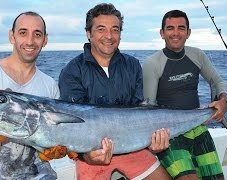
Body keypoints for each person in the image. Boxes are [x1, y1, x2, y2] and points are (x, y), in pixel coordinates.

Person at [59, 3, 171, 180]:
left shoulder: (132, 65)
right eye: (101, 29)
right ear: (89, 33)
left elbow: (139, 111)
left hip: (132, 150)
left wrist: (153, 143)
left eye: (115, 30)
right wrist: (87, 155)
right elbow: (72, 127)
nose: (109, 36)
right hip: (91, 155)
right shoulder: (72, 71)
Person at [0, 11, 61, 179]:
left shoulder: (50, 86)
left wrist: (55, 149)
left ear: (45, 40)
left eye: (37, 34)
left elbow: (54, 136)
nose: (30, 41)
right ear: (12, 36)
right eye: (23, 33)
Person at [142, 9, 227, 180]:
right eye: (170, 28)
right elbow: (147, 109)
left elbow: (217, 82)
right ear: (162, 33)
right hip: (170, 134)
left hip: (198, 127)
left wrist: (223, 100)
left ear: (188, 33)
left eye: (181, 28)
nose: (176, 33)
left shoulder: (197, 55)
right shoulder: (152, 63)